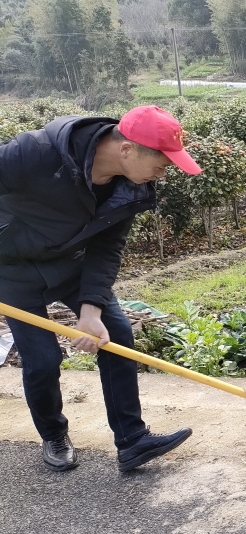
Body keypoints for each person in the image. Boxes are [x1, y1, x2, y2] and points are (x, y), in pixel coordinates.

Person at [0, 105, 202, 472]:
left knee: (117, 333)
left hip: (70, 263)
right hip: (12, 269)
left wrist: (90, 310)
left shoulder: (133, 188)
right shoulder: (36, 153)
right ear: (127, 149)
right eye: (162, 161)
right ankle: (53, 434)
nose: (166, 169)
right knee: (43, 361)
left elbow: (107, 248)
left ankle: (132, 440)